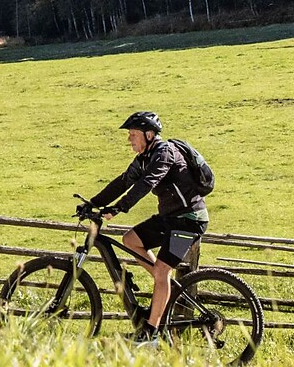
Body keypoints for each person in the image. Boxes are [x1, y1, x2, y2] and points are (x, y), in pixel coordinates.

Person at [89, 111, 209, 344]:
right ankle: (161, 284)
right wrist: (93, 203)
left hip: (189, 220)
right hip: (170, 218)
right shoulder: (144, 157)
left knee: (162, 271)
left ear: (149, 134)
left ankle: (151, 334)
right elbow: (123, 182)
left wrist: (119, 208)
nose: (129, 139)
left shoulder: (165, 153)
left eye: (133, 134)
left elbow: (147, 183)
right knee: (131, 240)